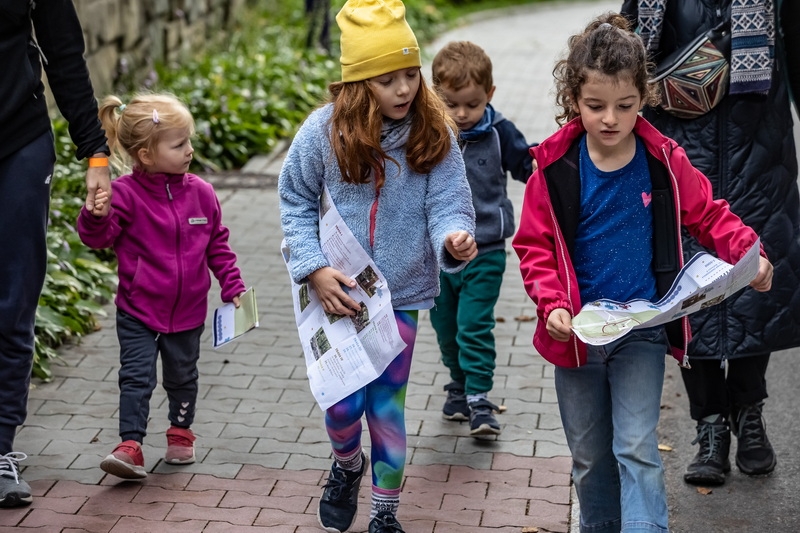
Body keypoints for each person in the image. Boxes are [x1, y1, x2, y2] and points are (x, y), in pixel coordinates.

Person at [511, 14, 773, 533]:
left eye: (625, 106)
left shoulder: (662, 160)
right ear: (573, 100)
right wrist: (553, 305)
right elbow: (533, 247)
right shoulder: (555, 168)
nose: (611, 118)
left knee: (636, 447)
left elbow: (709, 213)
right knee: (589, 459)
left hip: (642, 332)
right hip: (577, 337)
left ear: (642, 98)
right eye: (595, 106)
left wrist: (750, 253)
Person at [278, 1, 477, 531]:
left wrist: (454, 238)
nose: (405, 89)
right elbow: (294, 199)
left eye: (411, 74)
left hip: (403, 294)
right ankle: (346, 464)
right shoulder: (322, 133)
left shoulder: (432, 131)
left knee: (386, 407)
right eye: (388, 79)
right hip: (336, 292)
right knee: (343, 409)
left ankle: (385, 515)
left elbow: (450, 202)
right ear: (358, 84)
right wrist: (313, 268)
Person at [621, 0, 800, 485]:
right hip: (680, 152)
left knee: (754, 284)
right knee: (687, 291)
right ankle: (710, 424)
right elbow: (625, 54)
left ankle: (748, 408)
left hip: (758, 148)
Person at [77, 93, 246, 480]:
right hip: (137, 309)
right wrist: (93, 214)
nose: (189, 150)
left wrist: (232, 286)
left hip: (187, 312)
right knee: (136, 376)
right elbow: (97, 238)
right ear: (147, 155)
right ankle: (130, 445)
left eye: (188, 141)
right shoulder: (124, 194)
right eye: (179, 144)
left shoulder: (201, 192)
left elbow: (217, 243)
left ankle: (180, 432)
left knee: (182, 376)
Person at [0, 0, 111, 508]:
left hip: (18, 142)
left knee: (14, 299)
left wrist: (96, 153)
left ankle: (0, 446)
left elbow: (64, 51)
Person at [429, 41, 534, 437]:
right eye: (451, 104)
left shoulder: (499, 132)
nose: (461, 114)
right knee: (445, 325)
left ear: (489, 95)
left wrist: (552, 171)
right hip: (438, 253)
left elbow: (527, 165)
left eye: (471, 104)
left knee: (473, 324)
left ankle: (478, 397)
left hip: (486, 250)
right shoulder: (429, 133)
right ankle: (457, 384)